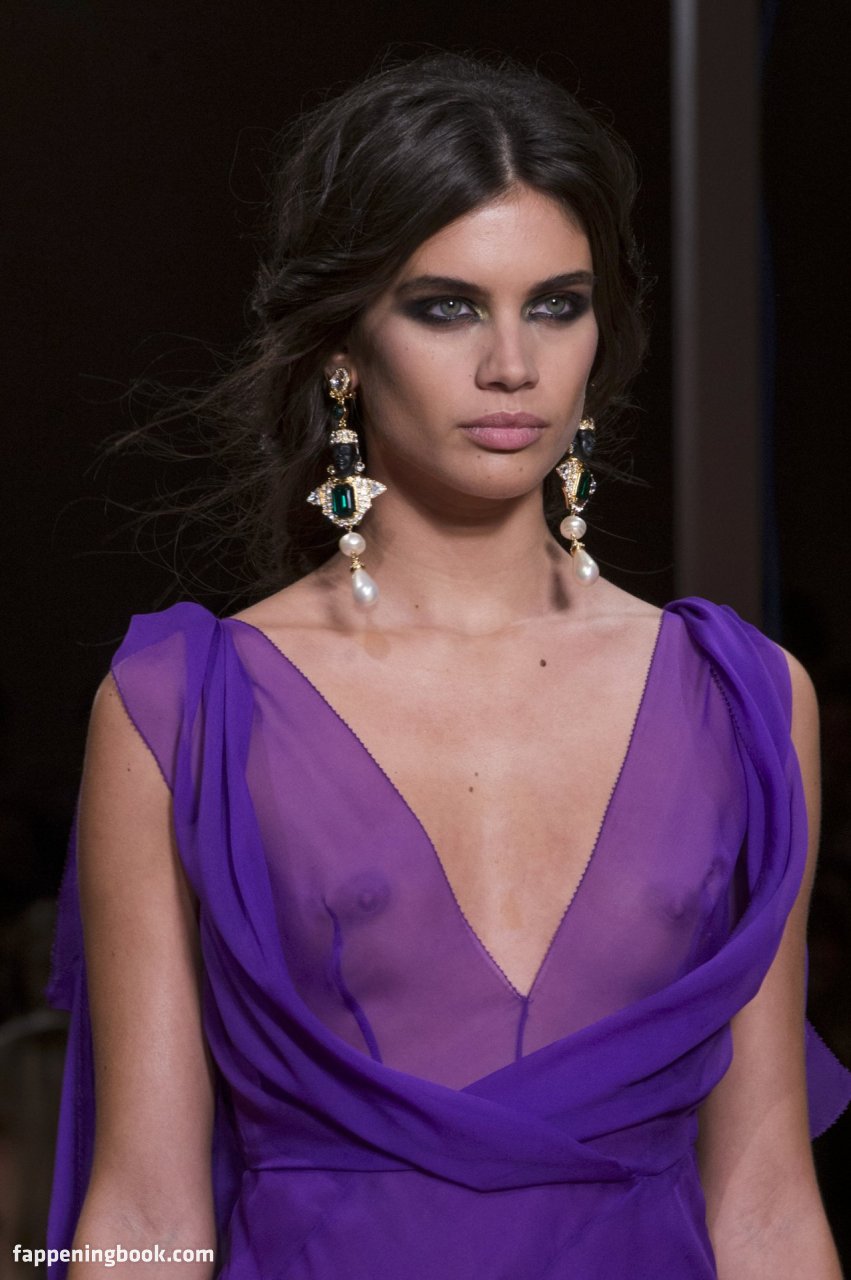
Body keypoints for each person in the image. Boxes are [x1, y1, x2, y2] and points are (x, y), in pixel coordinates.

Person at [46, 52, 851, 1279]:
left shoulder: (744, 700)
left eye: (556, 304)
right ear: (343, 347)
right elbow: (148, 1211)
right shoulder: (184, 710)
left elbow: (765, 1207)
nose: (510, 365)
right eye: (445, 307)